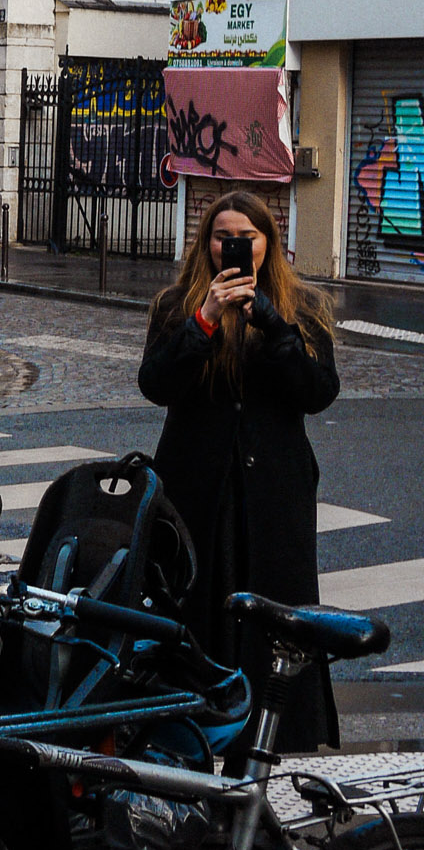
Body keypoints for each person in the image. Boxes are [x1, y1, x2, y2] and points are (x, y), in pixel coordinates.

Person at [137, 189, 340, 755]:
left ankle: (276, 735)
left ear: (267, 244)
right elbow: (155, 384)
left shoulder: (301, 309)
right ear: (207, 245)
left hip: (275, 492)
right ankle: (193, 732)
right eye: (223, 236)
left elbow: (318, 392)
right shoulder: (178, 305)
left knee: (275, 614)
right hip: (196, 489)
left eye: (247, 237)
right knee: (198, 608)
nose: (235, 246)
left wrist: (273, 326)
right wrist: (204, 321)